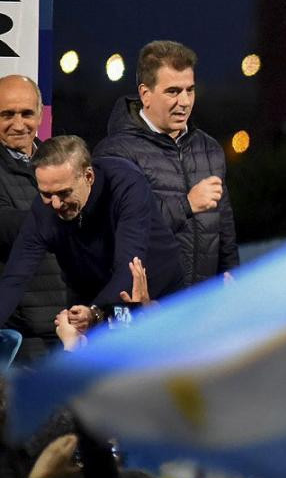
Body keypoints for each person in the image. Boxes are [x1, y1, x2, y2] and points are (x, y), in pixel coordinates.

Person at [0, 136, 185, 333]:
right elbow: (15, 279)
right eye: (46, 194)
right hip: (89, 298)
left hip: (155, 293)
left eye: (64, 193)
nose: (55, 204)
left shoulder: (125, 184)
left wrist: (96, 312)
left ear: (88, 176)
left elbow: (128, 267)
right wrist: (91, 313)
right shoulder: (43, 211)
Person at [93, 41, 239, 287]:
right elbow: (117, 228)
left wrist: (233, 276)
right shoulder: (114, 152)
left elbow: (224, 229)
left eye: (189, 90)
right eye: (173, 91)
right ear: (145, 94)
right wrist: (187, 205)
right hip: (147, 309)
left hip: (202, 306)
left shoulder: (209, 149)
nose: (184, 101)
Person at [0, 75, 71, 359]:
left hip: (64, 326)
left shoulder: (59, 163)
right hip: (17, 337)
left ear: (41, 114)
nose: (19, 124)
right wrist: (67, 212)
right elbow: (5, 225)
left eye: (27, 113)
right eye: (7, 114)